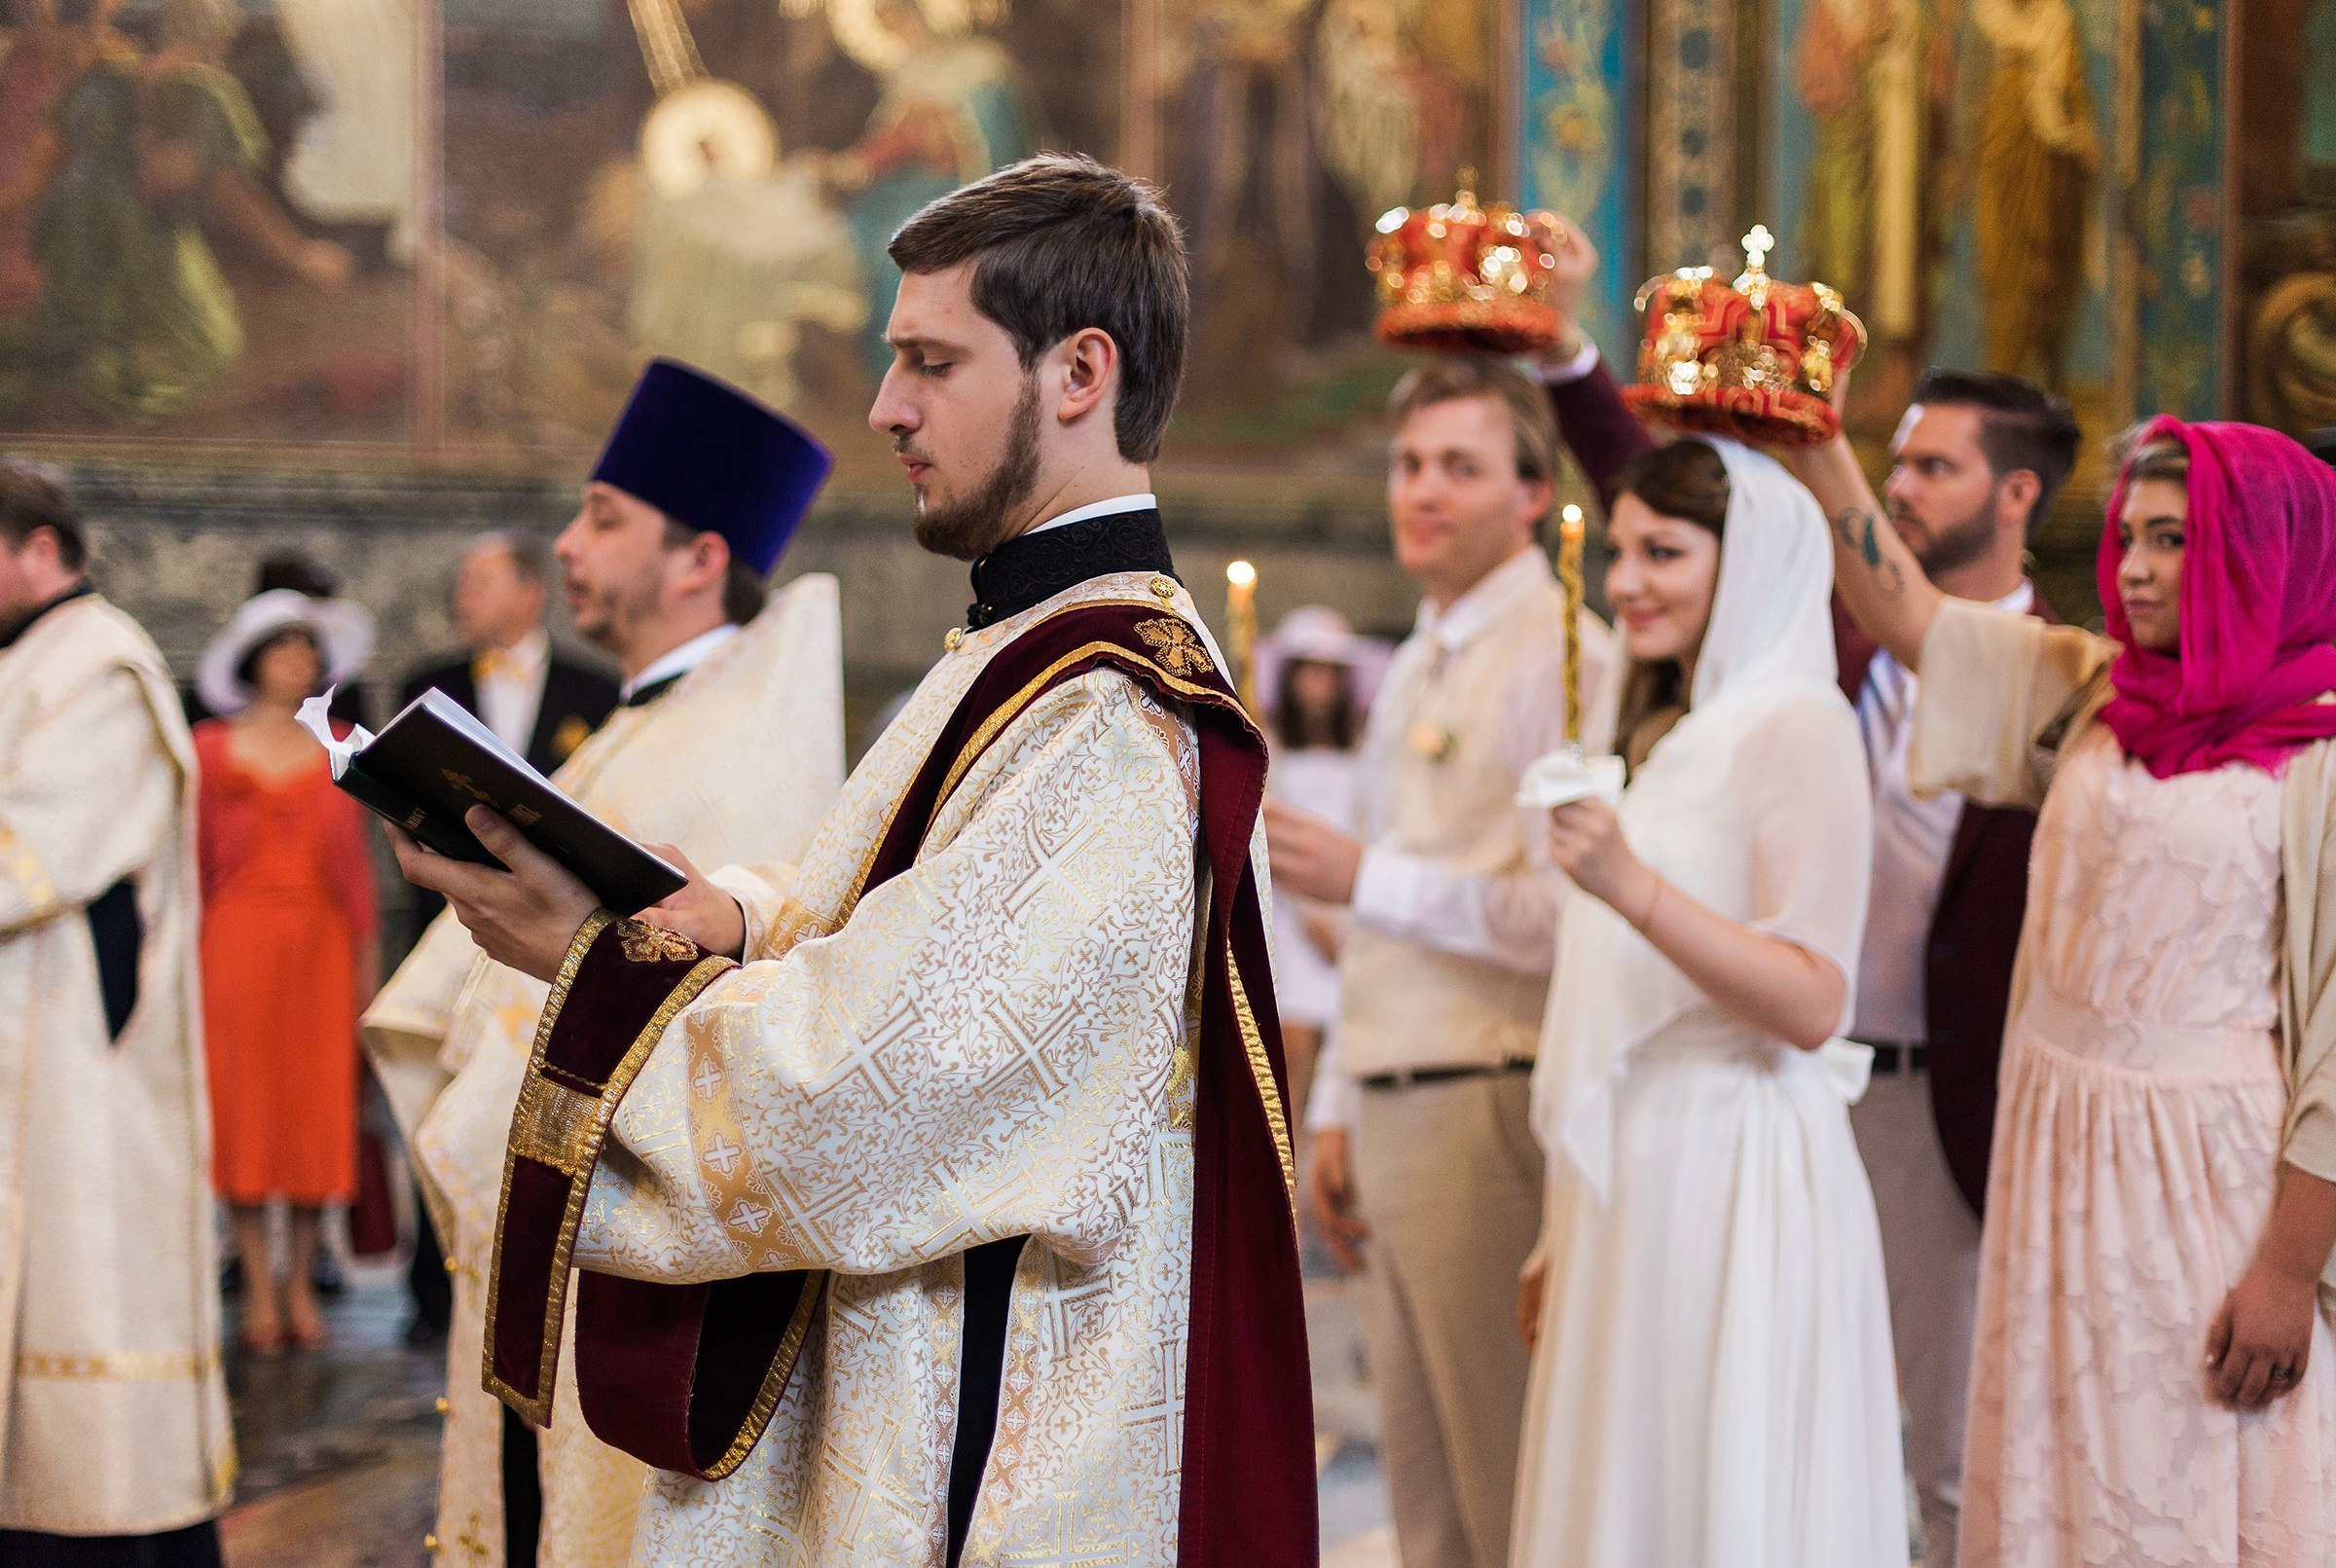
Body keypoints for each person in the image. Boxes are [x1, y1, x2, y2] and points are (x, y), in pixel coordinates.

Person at [389, 156, 1317, 1566]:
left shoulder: (1110, 714)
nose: (886, 406)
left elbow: (888, 1077)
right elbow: (909, 934)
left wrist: (597, 963)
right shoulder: (1020, 655)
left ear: (1079, 372)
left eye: (930, 363)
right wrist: (739, 917)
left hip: (996, 1462)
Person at [1544, 322, 2081, 1565]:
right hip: (1747, 1109)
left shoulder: (2045, 678)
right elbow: (1684, 513)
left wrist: (1626, 883)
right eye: (1889, 462)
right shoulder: (1805, 660)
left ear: (2019, 494)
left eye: (1933, 469)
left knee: (1930, 1453)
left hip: (1941, 1096)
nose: (1894, 488)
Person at [1808, 411, 2336, 1567]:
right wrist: (1813, 437)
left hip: (2205, 1176)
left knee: (2180, 1478)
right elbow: (1906, 615)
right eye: (2129, 537)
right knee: (2055, 1482)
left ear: (2262, 549)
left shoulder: (2321, 756)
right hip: (2054, 1147)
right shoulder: (2092, 691)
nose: (2135, 568)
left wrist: (2291, 1267)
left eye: (2176, 541)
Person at [363, 358, 845, 1567]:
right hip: (540, 1249)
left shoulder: (741, 752)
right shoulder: (638, 719)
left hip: (622, 1288)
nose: (568, 545)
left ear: (697, 558)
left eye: (604, 517)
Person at [1513, 435, 1906, 1568]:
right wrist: (1558, 1223)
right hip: (1634, 1163)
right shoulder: (1679, 733)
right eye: (1620, 550)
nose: (1626, 581)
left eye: (1665, 552)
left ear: (1755, 561)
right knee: (1629, 1492)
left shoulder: (1798, 723)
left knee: (1715, 1489)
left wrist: (1631, 884)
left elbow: (1817, 997)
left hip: (1735, 1157)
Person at [1269, 357, 1618, 1568]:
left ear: (1533, 494)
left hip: (1488, 1094)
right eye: (1409, 465)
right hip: (1398, 1095)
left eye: (1460, 468)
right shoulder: (1417, 653)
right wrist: (1337, 1099)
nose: (1421, 492)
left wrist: (1369, 878)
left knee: (1507, 1491)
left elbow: (1567, 913)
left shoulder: (1564, 651)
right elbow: (1371, 938)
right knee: (1426, 1516)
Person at [0, 461, 234, 1564]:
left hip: (68, 1087)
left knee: (80, 1332)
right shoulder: (31, 661)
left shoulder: (100, 669)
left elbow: (31, 853)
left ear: (39, 547)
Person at [192, 587, 378, 1354]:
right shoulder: (207, 748)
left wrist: (369, 972)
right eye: (283, 646)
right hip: (232, 942)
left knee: (311, 1109)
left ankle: (300, 1277)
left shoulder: (345, 745)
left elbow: (361, 874)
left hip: (320, 946)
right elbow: (191, 865)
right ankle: (258, 1287)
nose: (298, 659)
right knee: (242, 1108)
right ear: (252, 660)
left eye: (309, 647)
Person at [1259, 604, 1376, 1113]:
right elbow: (1266, 835)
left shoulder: (1367, 752)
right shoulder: (1271, 750)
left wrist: (1341, 917)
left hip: (1354, 908)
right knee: (1291, 1054)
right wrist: (1312, 917)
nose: (1318, 682)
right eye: (1308, 668)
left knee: (1350, 1047)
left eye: (1329, 670)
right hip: (1292, 919)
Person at [400, 532, 619, 777]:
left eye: (481, 583)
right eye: (461, 585)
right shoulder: (429, 687)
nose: (463, 597)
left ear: (529, 597)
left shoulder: (597, 692)